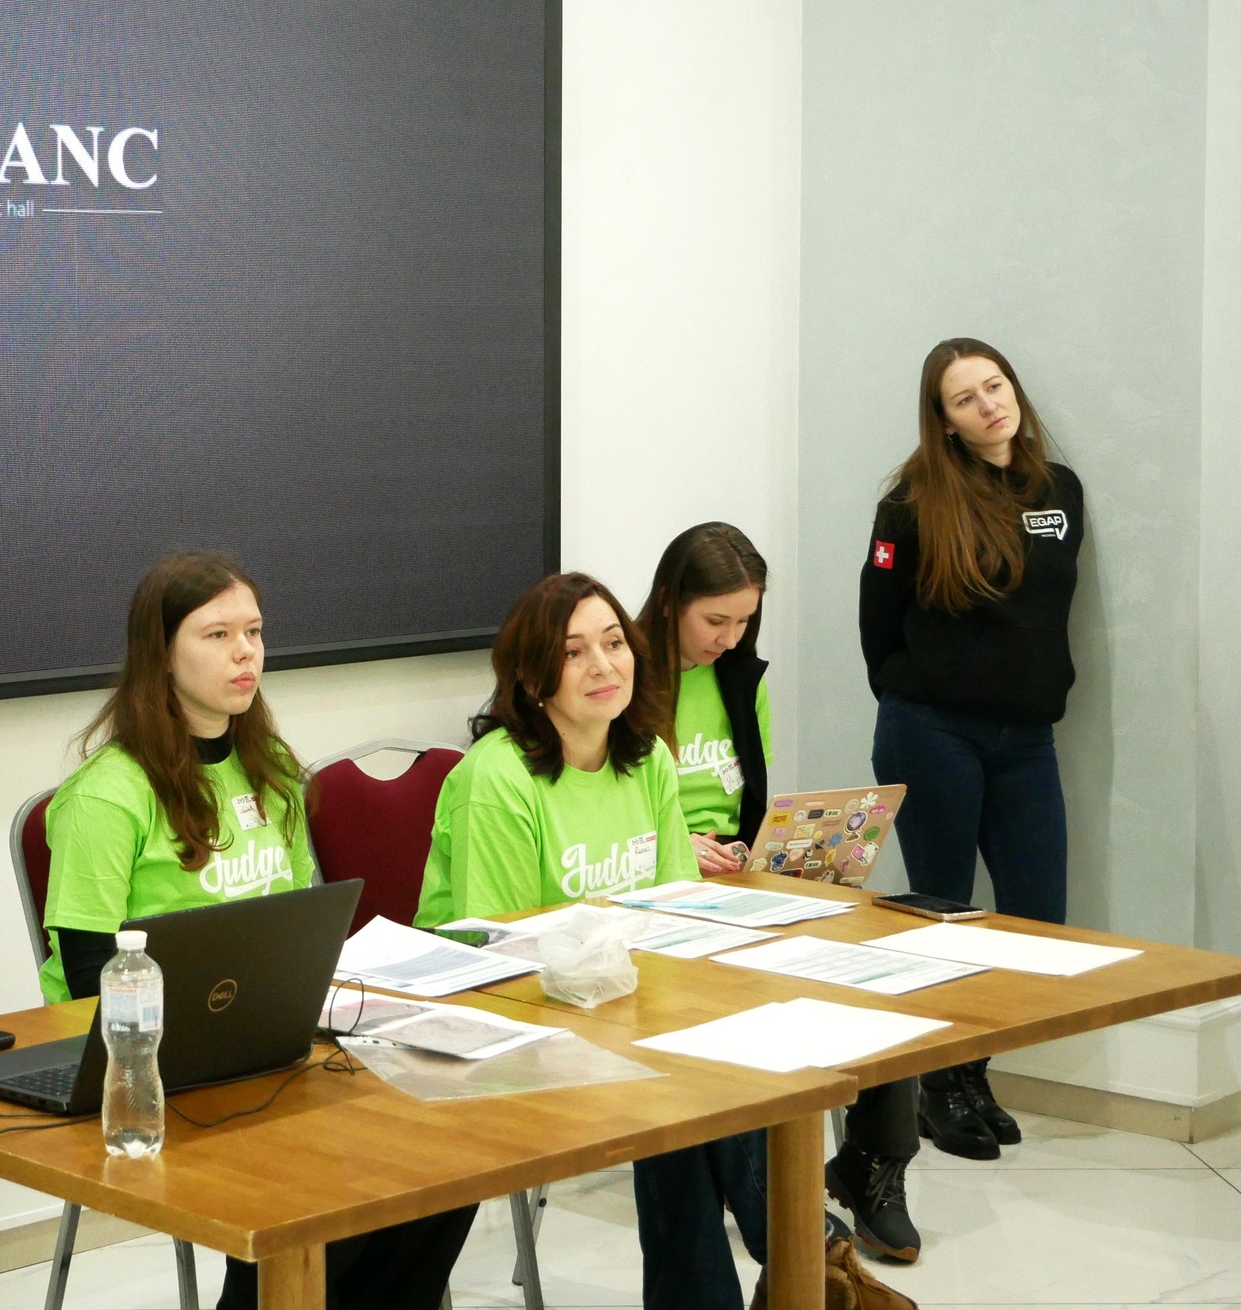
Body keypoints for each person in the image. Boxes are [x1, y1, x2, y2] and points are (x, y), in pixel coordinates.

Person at [415, 571, 913, 1310]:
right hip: (499, 1017)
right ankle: (813, 1256)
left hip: (624, 1001)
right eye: (574, 652)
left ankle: (802, 1262)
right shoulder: (498, 778)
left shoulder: (646, 754)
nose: (603, 665)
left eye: (614, 643)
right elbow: (508, 954)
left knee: (703, 1092)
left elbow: (680, 912)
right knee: (691, 1091)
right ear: (531, 675)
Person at [39, 551, 475, 1310]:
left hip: (273, 1042)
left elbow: (297, 926)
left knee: (450, 1153)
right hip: (152, 1066)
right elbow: (87, 978)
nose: (246, 652)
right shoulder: (107, 795)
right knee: (324, 1184)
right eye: (217, 635)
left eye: (255, 632)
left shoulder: (268, 766)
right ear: (161, 654)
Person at [640, 524, 924, 1266]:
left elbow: (753, 798)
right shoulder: (623, 679)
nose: (730, 638)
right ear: (669, 603)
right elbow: (613, 811)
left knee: (883, 962)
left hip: (735, 882)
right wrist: (677, 848)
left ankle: (874, 1162)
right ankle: (777, 1203)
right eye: (716, 620)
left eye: (745, 621)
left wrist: (775, 848)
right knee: (750, 997)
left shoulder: (740, 677)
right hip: (659, 894)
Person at [860, 338, 1083, 1165]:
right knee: (945, 915)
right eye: (966, 398)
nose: (989, 405)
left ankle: (971, 1071)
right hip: (933, 732)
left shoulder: (1060, 492)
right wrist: (914, 693)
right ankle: (941, 1084)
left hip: (1027, 740)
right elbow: (877, 621)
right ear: (945, 421)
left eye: (995, 386)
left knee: (1036, 922)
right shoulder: (910, 505)